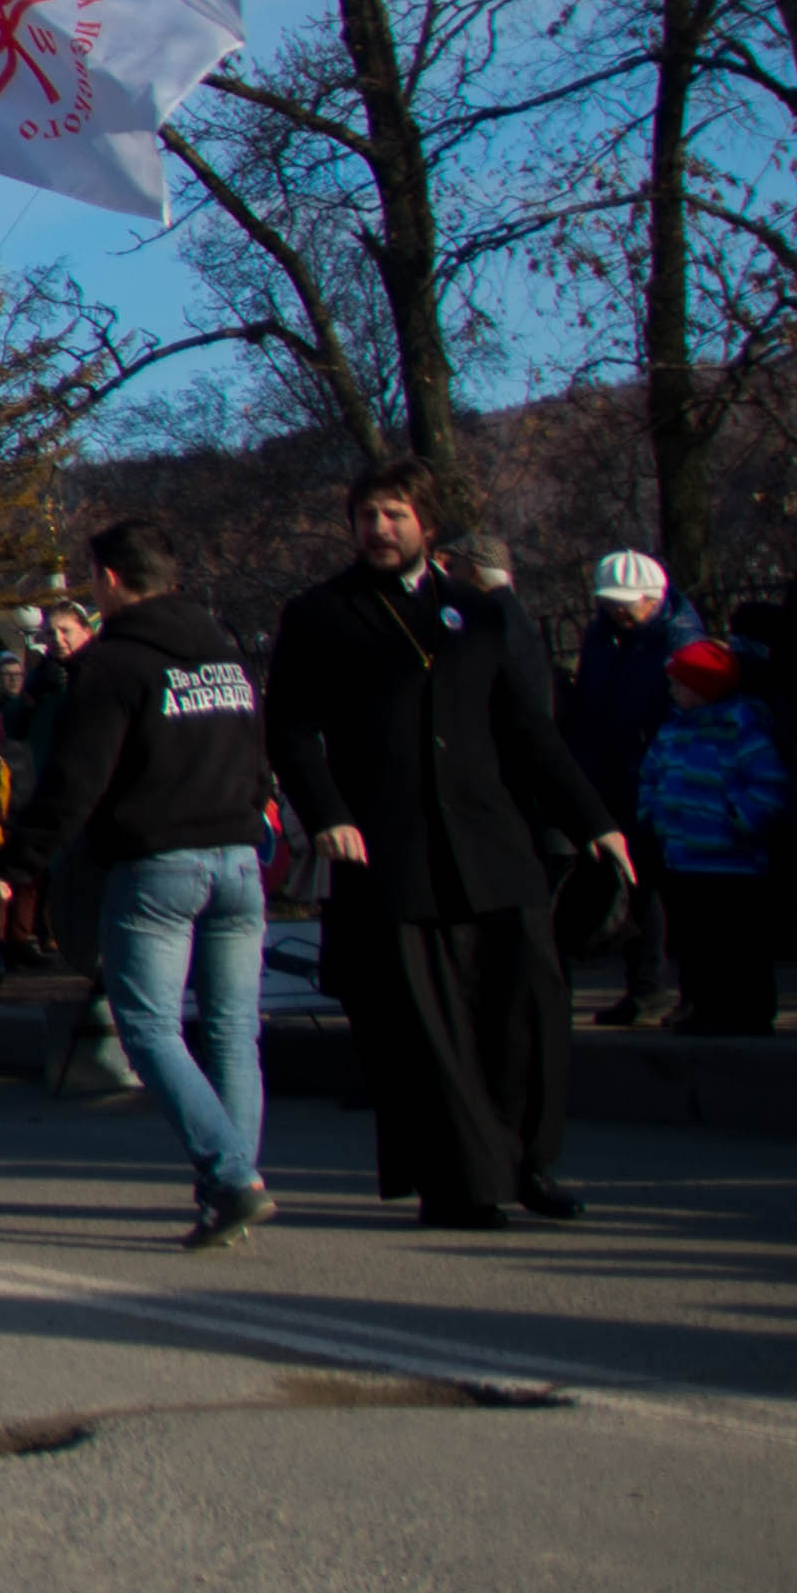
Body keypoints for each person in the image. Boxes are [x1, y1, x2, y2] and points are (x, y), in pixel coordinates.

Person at [267, 465, 630, 1227]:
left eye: (394, 514)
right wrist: (327, 812)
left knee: (526, 1005)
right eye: (365, 515)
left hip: (490, 841)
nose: (378, 529)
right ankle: (458, 1182)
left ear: (425, 525)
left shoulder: (479, 612)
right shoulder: (319, 614)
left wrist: (594, 820)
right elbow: (292, 731)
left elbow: (527, 730)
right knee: (428, 1029)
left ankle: (525, 1162)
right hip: (388, 849)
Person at [22, 518, 279, 1242]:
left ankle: (230, 1174)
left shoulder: (111, 665)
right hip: (236, 856)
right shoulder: (226, 654)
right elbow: (257, 756)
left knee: (148, 1030)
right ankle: (227, 1187)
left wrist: (18, 864)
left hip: (158, 862)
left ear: (107, 579)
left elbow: (76, 781)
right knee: (231, 1032)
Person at [567, 553, 700, 1024]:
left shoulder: (677, 637)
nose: (618, 611)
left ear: (654, 599)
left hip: (658, 776)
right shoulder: (605, 635)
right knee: (635, 886)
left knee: (664, 890)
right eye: (610, 603)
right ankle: (644, 988)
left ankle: (667, 990)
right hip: (616, 769)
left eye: (627, 604)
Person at [635, 641, 788, 1039]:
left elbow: (767, 787)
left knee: (739, 943)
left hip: (733, 862)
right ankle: (706, 1008)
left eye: (680, 685)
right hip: (684, 857)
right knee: (697, 943)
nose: (673, 692)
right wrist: (652, 812)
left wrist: (738, 820)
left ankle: (750, 1010)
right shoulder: (672, 730)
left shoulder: (743, 731)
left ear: (705, 687)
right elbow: (652, 775)